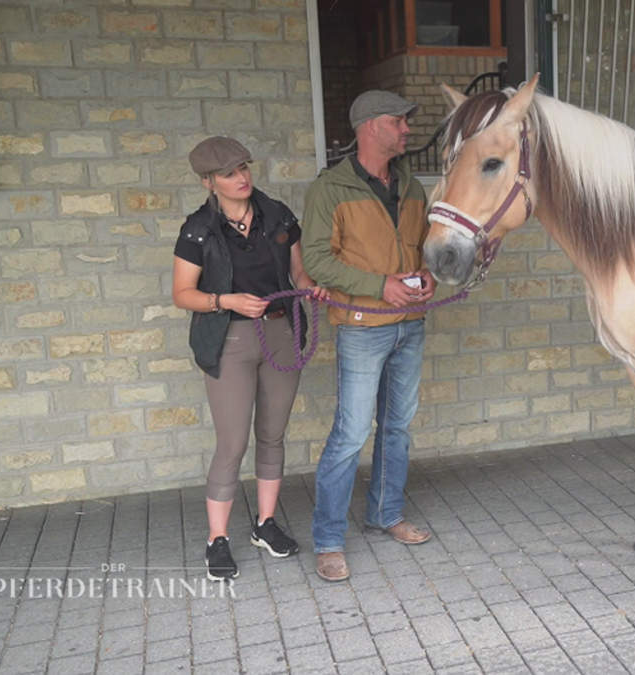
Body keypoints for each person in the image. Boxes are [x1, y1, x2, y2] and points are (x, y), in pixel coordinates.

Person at [172, 136, 329, 581]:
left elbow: (297, 269)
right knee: (232, 443)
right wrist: (227, 300)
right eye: (228, 173)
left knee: (273, 435)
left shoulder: (277, 214)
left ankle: (265, 524)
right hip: (230, 341)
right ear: (208, 181)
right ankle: (216, 539)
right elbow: (183, 294)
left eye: (244, 167)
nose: (241, 178)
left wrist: (308, 285)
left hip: (281, 332)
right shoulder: (197, 229)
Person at [303, 90, 438, 583]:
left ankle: (386, 513)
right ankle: (328, 539)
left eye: (404, 121)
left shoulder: (413, 186)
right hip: (362, 328)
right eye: (397, 121)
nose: (406, 129)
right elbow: (316, 260)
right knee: (351, 433)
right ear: (369, 127)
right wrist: (379, 286)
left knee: (397, 427)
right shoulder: (330, 189)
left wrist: (429, 276)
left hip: (411, 326)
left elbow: (426, 247)